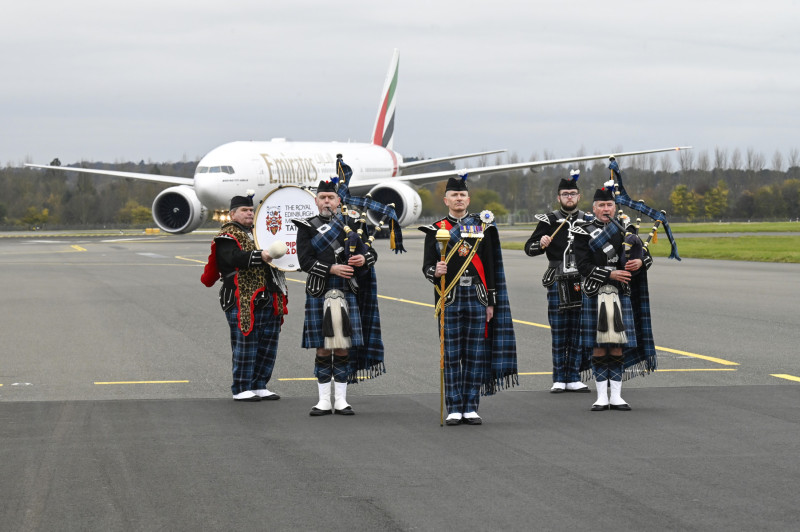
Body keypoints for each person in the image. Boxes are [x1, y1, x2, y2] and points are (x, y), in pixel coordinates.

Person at [419, 176, 518, 426]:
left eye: (462, 195)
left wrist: (491, 302)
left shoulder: (482, 227)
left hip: (477, 296)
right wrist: (435, 271)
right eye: (454, 195)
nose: (459, 199)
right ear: (446, 200)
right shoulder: (435, 229)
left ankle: (471, 407)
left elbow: (491, 266)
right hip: (449, 297)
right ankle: (454, 407)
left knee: (475, 354)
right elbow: (427, 266)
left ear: (468, 199)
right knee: (451, 354)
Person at [293, 180, 385, 416]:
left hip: (347, 290)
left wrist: (363, 259)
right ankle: (324, 400)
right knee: (323, 347)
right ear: (316, 201)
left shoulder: (353, 224)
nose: (327, 202)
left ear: (338, 201)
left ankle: (341, 400)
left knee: (343, 347)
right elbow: (304, 261)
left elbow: (372, 254)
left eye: (330, 198)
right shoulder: (306, 227)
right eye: (322, 198)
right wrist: (332, 269)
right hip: (319, 291)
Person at [571, 185, 656, 411]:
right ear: (593, 208)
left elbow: (646, 257)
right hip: (595, 293)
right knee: (599, 346)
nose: (606, 209)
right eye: (601, 205)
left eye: (609, 205)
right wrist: (610, 274)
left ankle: (616, 396)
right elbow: (582, 266)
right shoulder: (582, 231)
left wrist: (640, 262)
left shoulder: (626, 229)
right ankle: (601, 396)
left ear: (615, 207)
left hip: (620, 293)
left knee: (617, 346)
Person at [201, 193, 288, 402]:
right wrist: (261, 255)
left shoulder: (261, 233)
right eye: (244, 210)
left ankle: (259, 384)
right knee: (246, 343)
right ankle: (241, 387)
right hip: (241, 298)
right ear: (233, 214)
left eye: (251, 210)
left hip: (270, 295)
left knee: (268, 343)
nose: (250, 213)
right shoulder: (226, 236)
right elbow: (233, 258)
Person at [524, 170, 593, 394]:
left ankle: (573, 377)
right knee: (559, 330)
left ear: (579, 196)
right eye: (565, 194)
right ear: (558, 197)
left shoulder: (588, 220)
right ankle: (559, 378)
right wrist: (541, 243)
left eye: (572, 194)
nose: (569, 197)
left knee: (578, 329)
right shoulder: (549, 220)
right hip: (557, 278)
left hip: (582, 279)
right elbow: (529, 248)